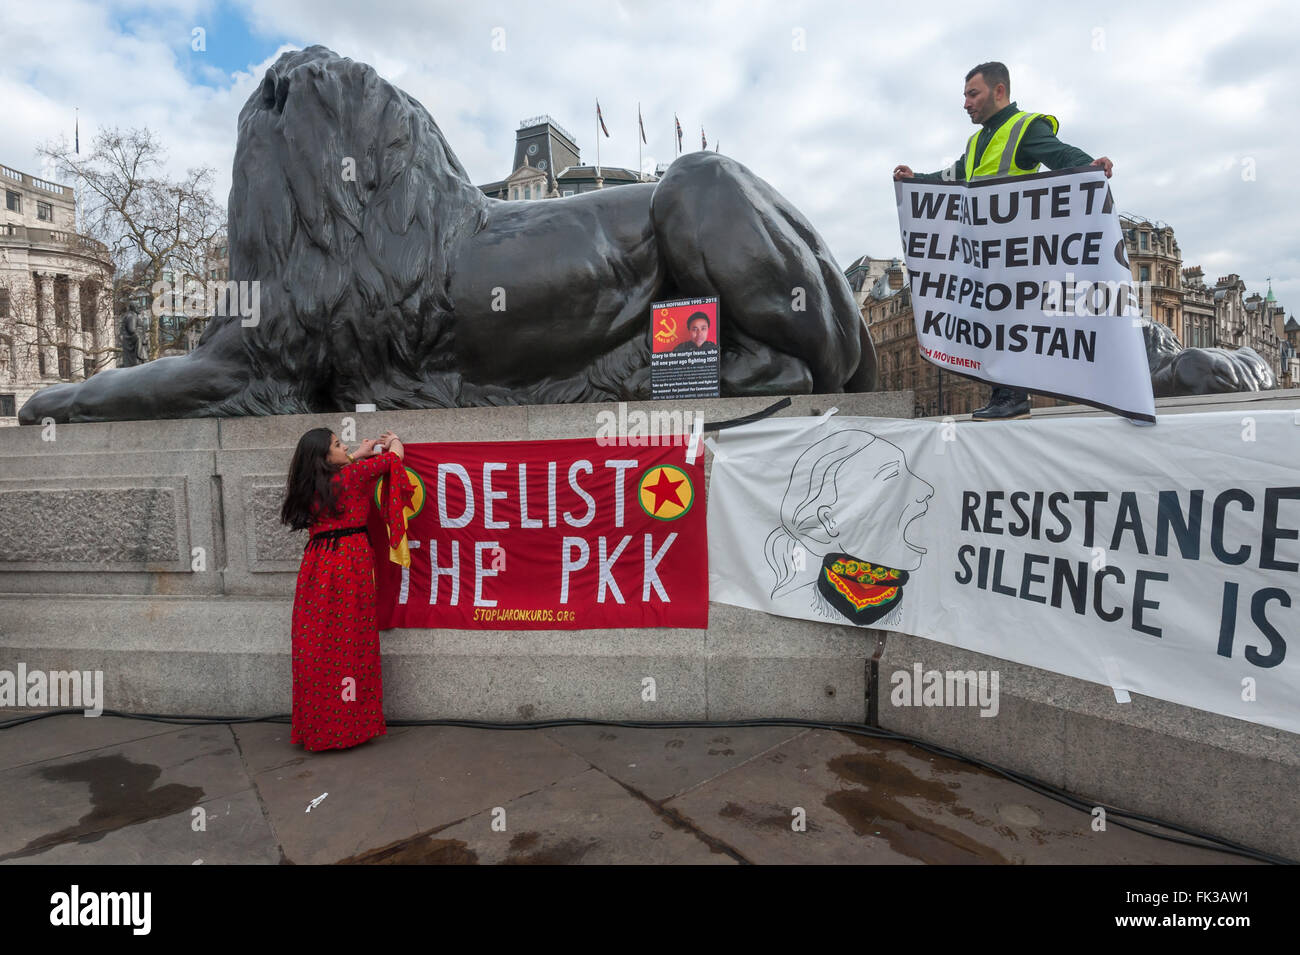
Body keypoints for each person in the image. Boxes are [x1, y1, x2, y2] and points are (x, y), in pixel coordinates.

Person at [893, 61, 1113, 421]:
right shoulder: (978, 140)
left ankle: (1014, 395)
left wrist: (1088, 164)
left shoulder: (1023, 126)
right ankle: (1003, 395)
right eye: (964, 95)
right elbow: (955, 175)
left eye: (972, 94)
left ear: (999, 91)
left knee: (1009, 318)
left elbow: (1056, 153)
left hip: (1014, 252)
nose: (966, 103)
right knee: (989, 321)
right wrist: (919, 179)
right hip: (983, 254)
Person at [279, 427, 412, 752]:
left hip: (316, 566)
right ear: (325, 458)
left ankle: (318, 728)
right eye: (338, 445)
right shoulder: (353, 476)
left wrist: (355, 454)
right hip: (349, 563)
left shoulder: (308, 485)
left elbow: (343, 471)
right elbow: (393, 461)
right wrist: (393, 442)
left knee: (317, 644)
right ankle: (349, 728)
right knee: (351, 641)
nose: (345, 447)